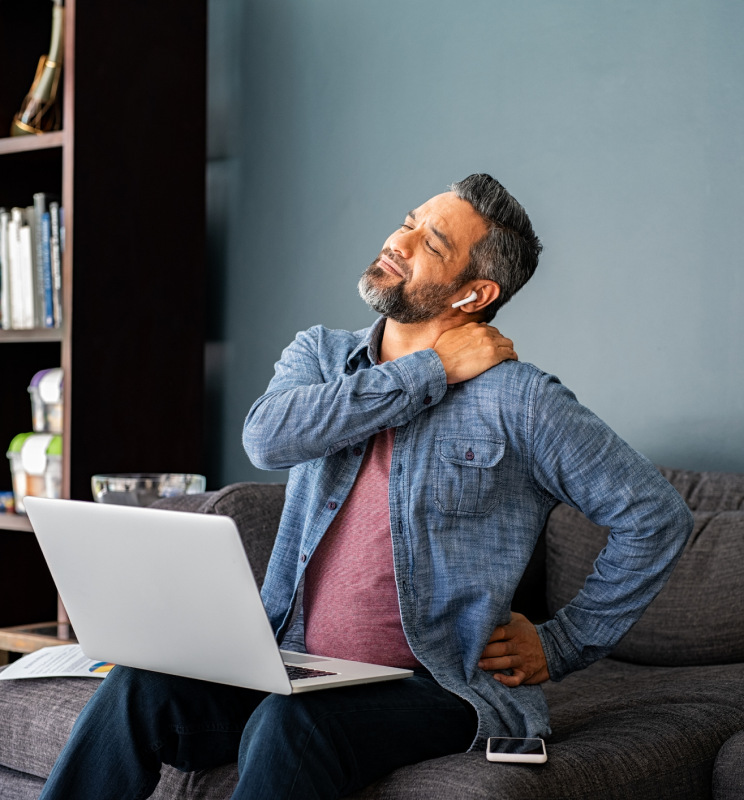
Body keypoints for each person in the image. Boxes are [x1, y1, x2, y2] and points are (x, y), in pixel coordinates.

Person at [40, 174, 693, 800]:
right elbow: (267, 438)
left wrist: (563, 641)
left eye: (431, 243)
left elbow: (655, 516)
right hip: (288, 664)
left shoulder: (517, 401)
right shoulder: (320, 356)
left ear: (473, 295)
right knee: (138, 686)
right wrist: (429, 371)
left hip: (437, 687)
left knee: (290, 724)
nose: (398, 242)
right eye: (407, 223)